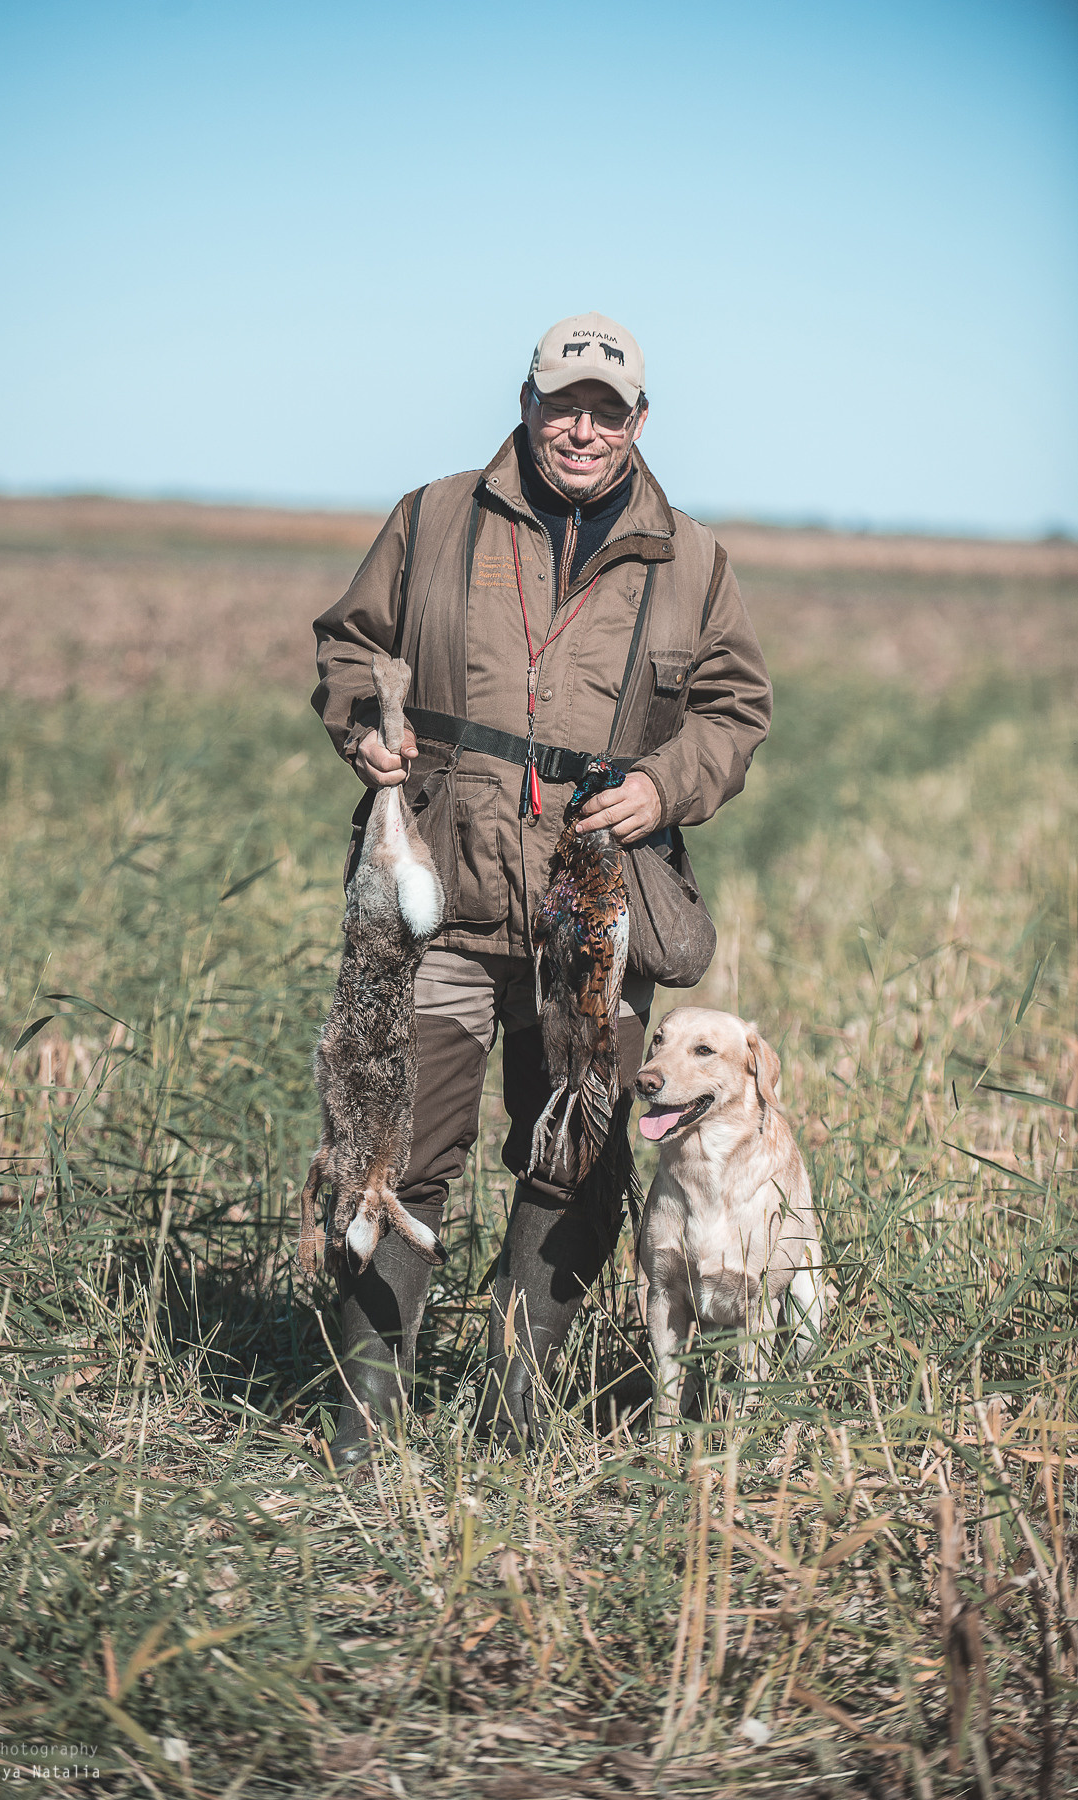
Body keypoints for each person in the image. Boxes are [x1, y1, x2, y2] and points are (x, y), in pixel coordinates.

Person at [311, 312, 772, 1465]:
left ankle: (517, 1412)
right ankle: (365, 1429)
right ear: (526, 403)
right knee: (392, 1146)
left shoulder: (692, 562)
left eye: (606, 411)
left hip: (594, 908)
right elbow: (351, 647)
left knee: (575, 1154)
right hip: (440, 897)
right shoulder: (432, 518)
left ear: (639, 422)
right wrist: (365, 724)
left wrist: (663, 786)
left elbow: (732, 713)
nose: (581, 428)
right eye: (563, 403)